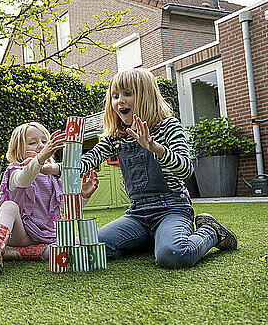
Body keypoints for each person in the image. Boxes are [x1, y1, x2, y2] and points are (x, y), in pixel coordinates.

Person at [79, 68, 237, 268]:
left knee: (173, 255)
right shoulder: (116, 137)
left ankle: (211, 232)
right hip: (137, 213)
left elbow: (186, 168)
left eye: (128, 94)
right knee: (88, 245)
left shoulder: (168, 126)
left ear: (146, 96)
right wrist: (51, 167)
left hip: (172, 209)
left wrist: (157, 149)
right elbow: (90, 159)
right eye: (115, 96)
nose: (120, 101)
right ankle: (150, 239)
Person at [0, 121, 99, 275]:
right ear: (17, 150)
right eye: (33, 143)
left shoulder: (54, 177)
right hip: (21, 234)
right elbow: (25, 179)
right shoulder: (15, 172)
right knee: (9, 206)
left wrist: (83, 196)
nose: (40, 146)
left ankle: (24, 253)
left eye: (45, 142)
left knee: (79, 243)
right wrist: (40, 158)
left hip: (46, 237)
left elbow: (67, 209)